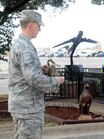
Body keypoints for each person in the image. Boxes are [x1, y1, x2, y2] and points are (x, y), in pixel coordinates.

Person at [8, 10, 64, 139]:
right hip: (27, 108)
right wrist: (56, 81)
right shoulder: (25, 48)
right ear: (31, 25)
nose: (40, 30)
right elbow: (33, 78)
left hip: (23, 106)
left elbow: (22, 72)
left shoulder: (19, 44)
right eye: (39, 26)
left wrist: (39, 68)